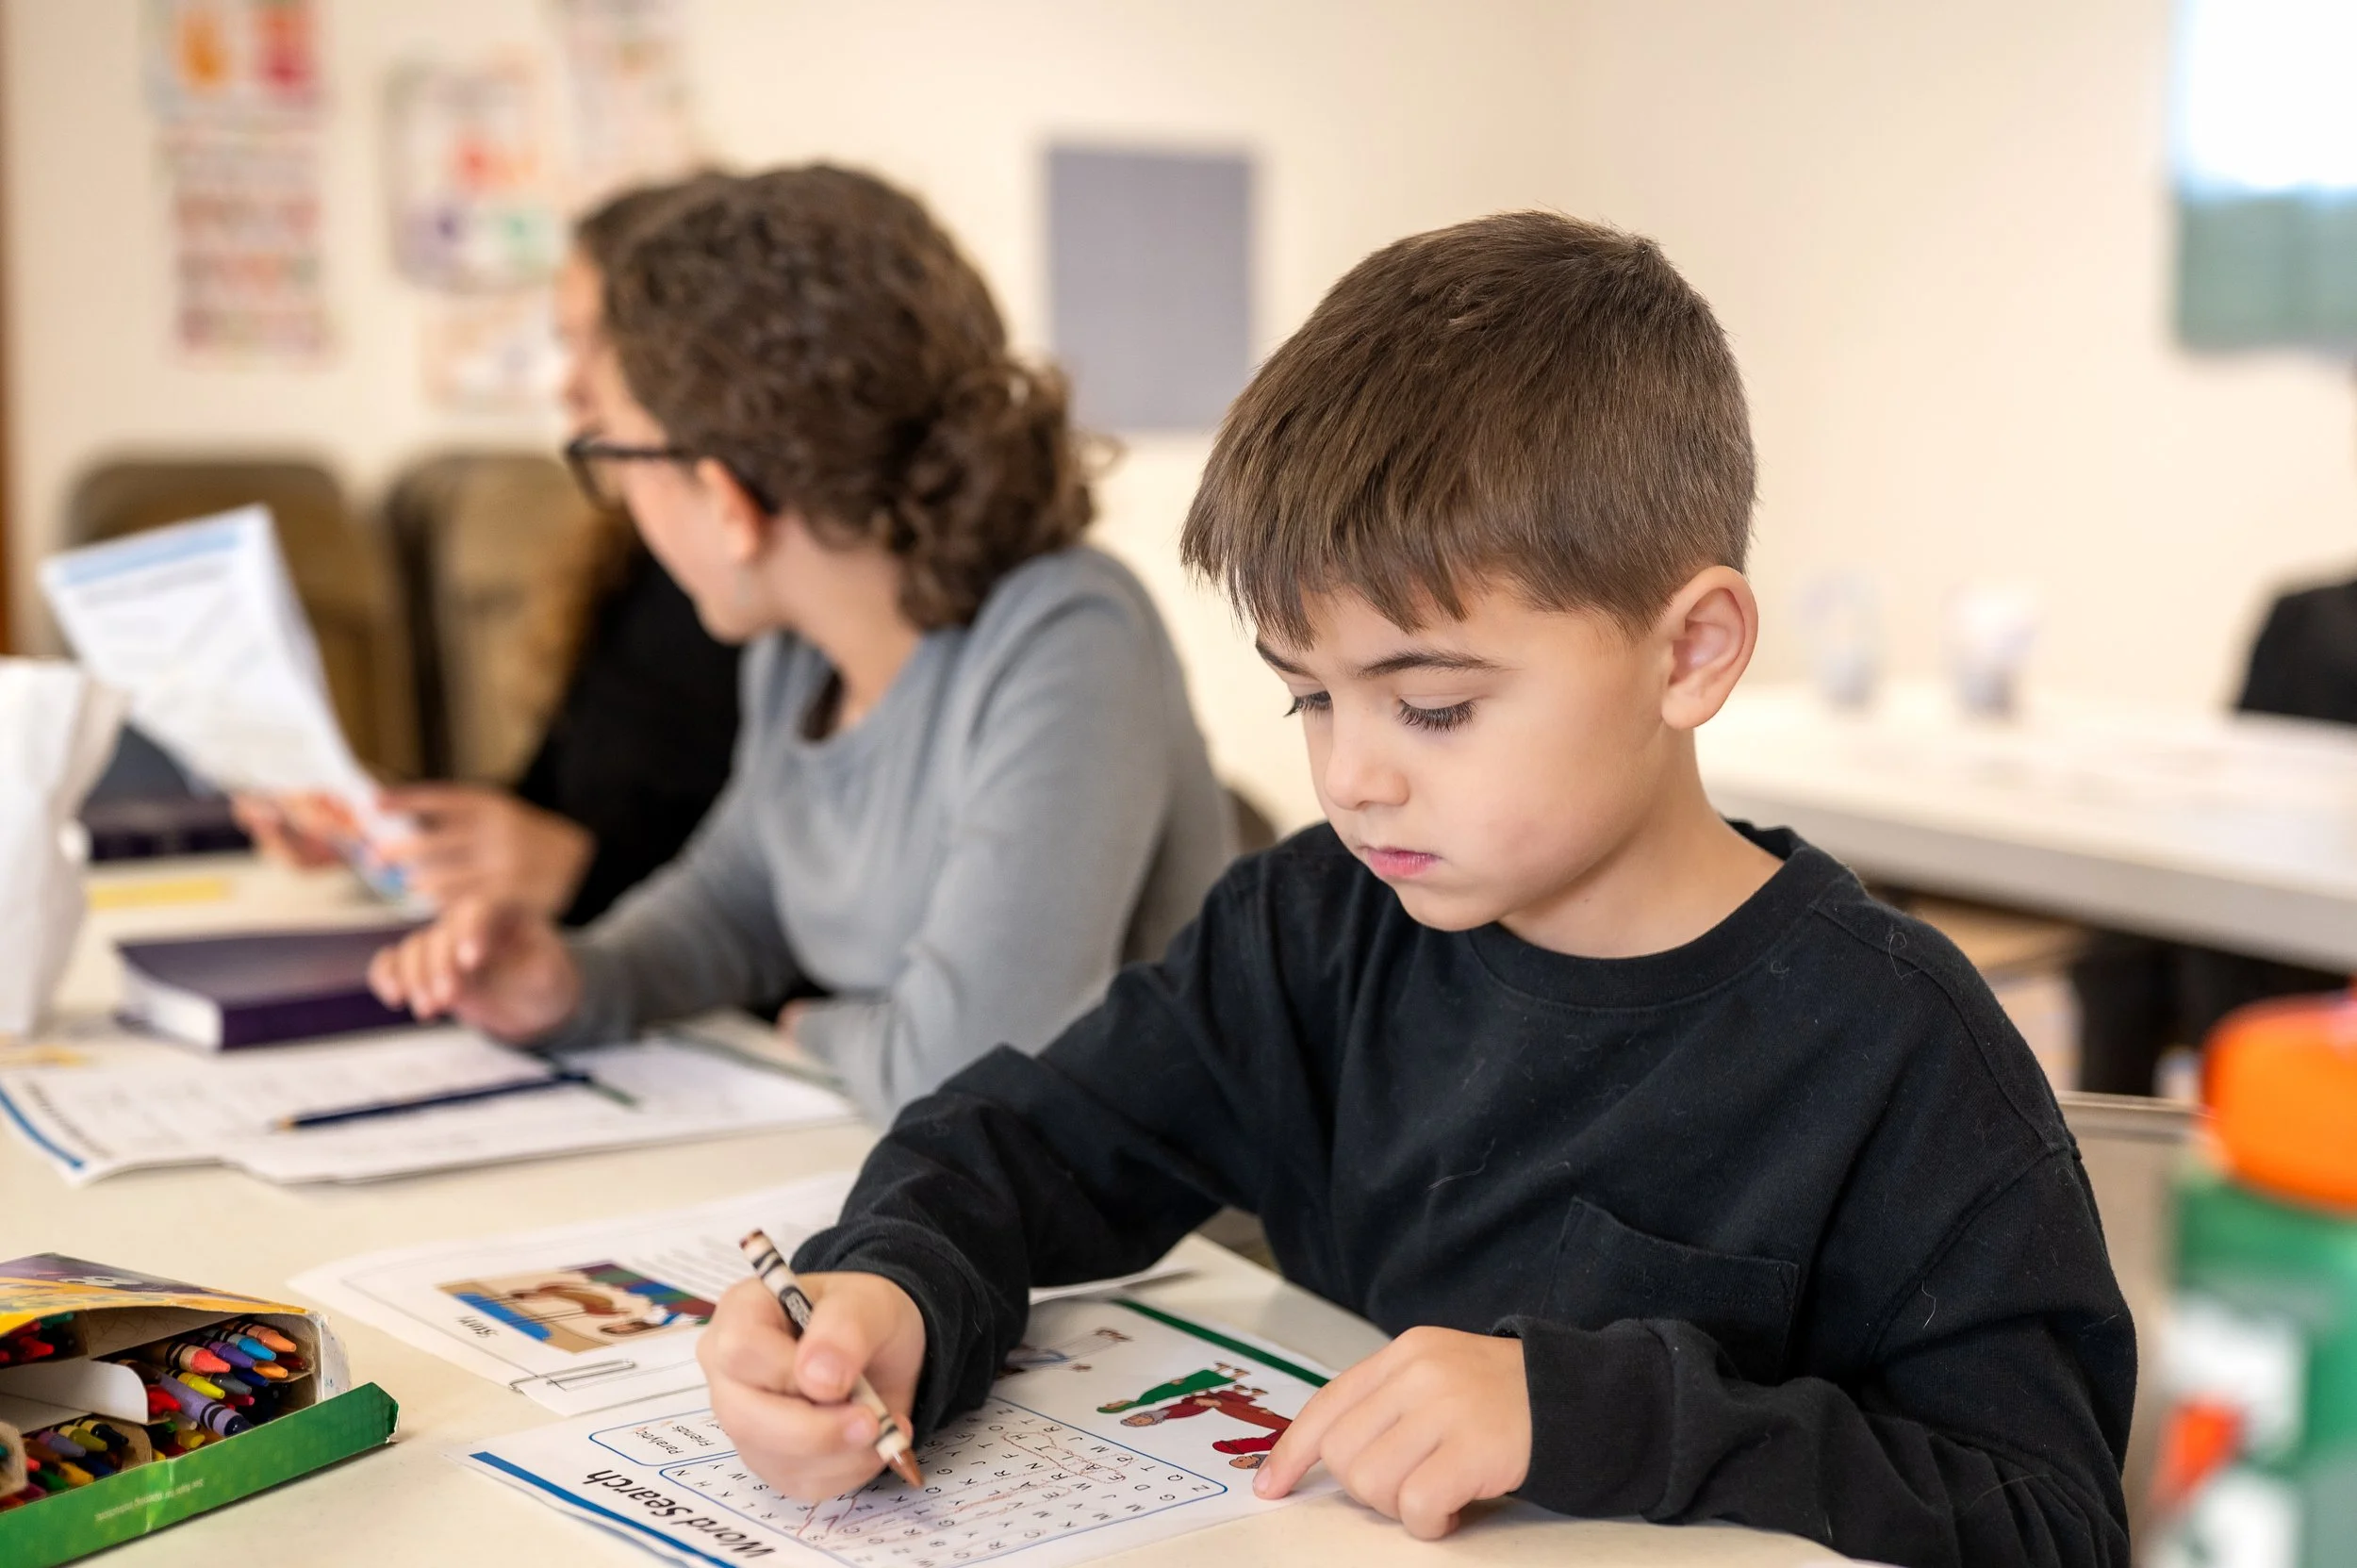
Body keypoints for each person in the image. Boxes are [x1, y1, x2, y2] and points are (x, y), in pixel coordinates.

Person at [692, 213, 2135, 1568]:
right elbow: (1021, 1142)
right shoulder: (1313, 927)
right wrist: (889, 1292)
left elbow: (2051, 1516)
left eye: (1432, 706)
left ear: (1689, 651)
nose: (1355, 778)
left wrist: (1589, 1413)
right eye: (1309, 700)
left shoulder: (1894, 1045)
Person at [367, 166, 1233, 1122]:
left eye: (616, 455)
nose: (620, 500)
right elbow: (732, 906)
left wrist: (816, 1024)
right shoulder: (798, 655)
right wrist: (571, 980)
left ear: (730, 505)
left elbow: (963, 1068)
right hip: (926, 1201)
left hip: (1158, 1256)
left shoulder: (1068, 637)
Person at [236, 177, 744, 926]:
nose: (571, 385)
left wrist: (584, 873)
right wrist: (387, 828)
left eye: (603, 344)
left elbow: (771, 895)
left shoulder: (753, 581)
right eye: (567, 343)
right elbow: (551, 805)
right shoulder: (630, 560)